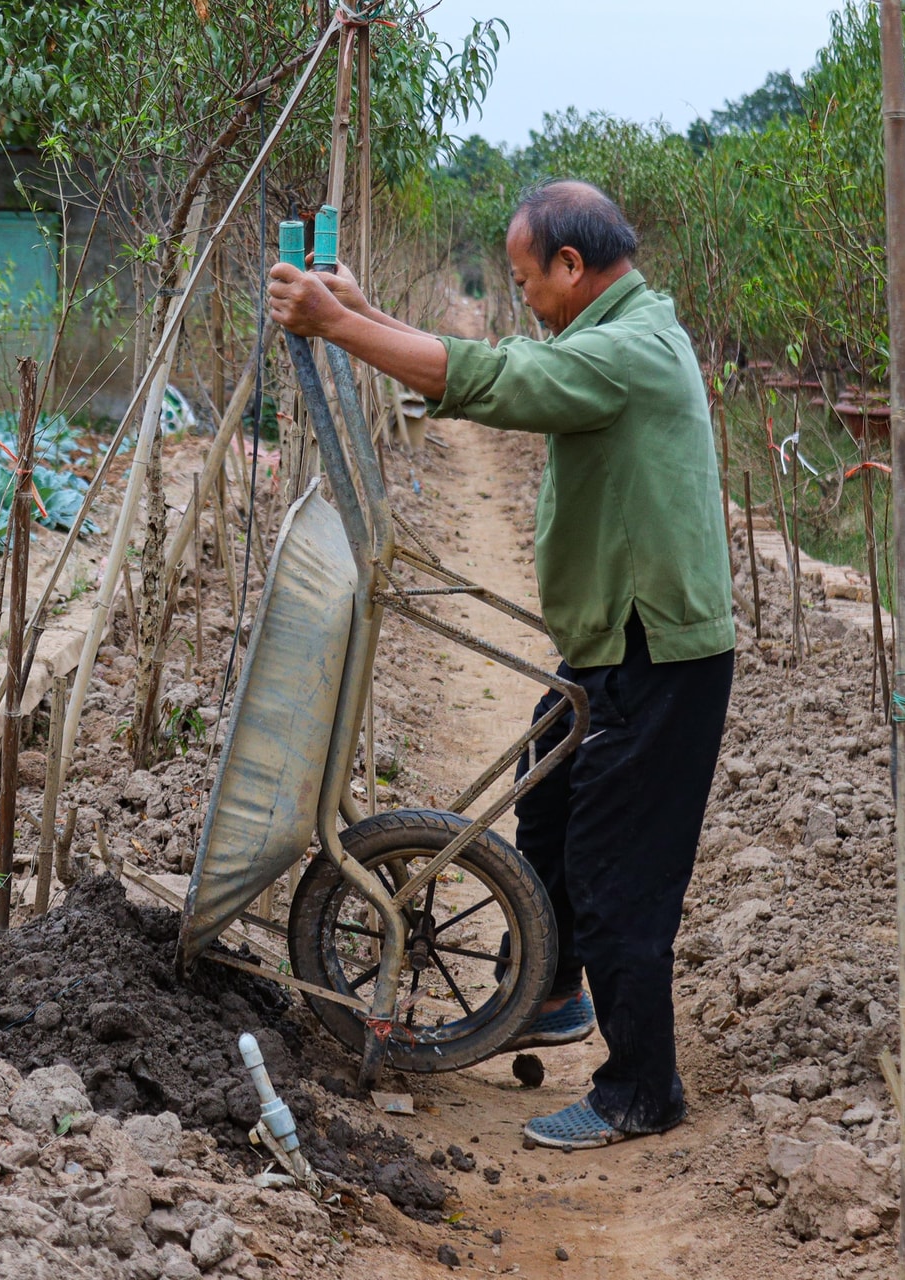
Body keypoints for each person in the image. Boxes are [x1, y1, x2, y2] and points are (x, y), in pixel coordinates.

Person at [266, 179, 735, 1150]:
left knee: (618, 875)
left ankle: (641, 1087)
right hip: (614, 640)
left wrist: (340, 327)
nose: (520, 296)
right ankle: (554, 990)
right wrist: (356, 312)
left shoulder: (631, 349)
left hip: (658, 656)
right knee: (550, 802)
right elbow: (513, 359)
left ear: (572, 265)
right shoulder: (615, 331)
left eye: (525, 278)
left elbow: (501, 378)